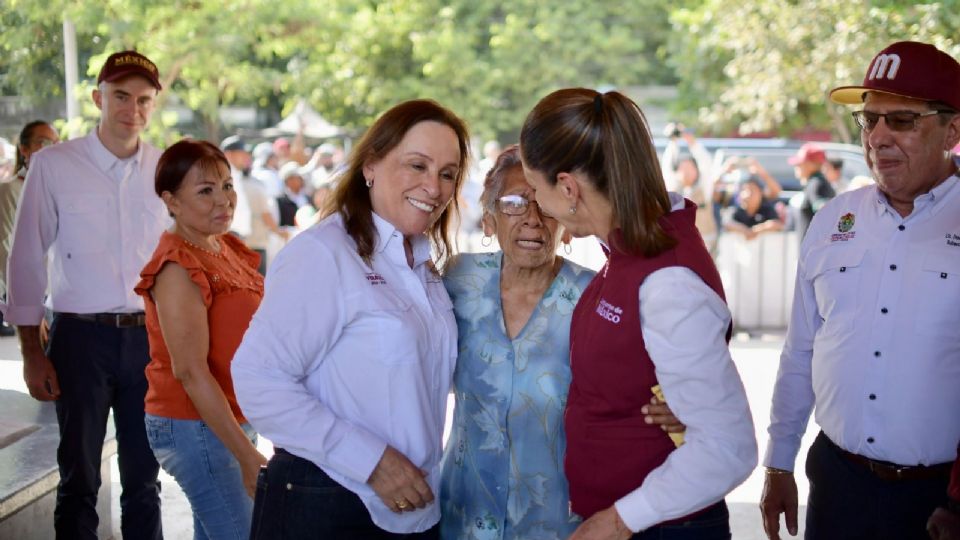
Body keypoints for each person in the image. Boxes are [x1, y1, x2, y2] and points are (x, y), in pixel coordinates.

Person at [519, 88, 757, 539]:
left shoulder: (666, 282)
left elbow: (729, 447)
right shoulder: (629, 242)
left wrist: (618, 521)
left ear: (568, 187)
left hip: (663, 527)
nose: (536, 203)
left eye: (536, 188)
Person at [231, 99, 469, 539]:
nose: (433, 187)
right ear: (371, 165)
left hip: (410, 509)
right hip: (325, 502)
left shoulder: (422, 266)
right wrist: (372, 461)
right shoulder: (325, 254)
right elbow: (257, 380)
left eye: (448, 174)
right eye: (416, 166)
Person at [760, 40, 960, 540]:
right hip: (837, 482)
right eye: (869, 120)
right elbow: (801, 351)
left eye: (902, 120)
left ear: (952, 130)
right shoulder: (833, 219)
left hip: (941, 497)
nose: (878, 137)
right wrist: (778, 463)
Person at [5, 50, 167, 539]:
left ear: (153, 106)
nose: (132, 109)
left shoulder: (165, 169)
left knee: (146, 478)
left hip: (149, 340)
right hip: (79, 340)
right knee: (77, 478)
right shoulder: (55, 165)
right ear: (98, 98)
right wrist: (32, 352)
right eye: (121, 96)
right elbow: (27, 259)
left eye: (143, 99)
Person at [439, 145, 595, 538]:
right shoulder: (457, 282)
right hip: (463, 513)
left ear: (566, 221)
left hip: (558, 520)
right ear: (489, 220)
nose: (531, 219)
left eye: (544, 204)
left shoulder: (594, 297)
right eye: (512, 203)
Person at [133, 139, 267, 539]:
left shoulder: (221, 245)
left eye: (226, 185)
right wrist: (246, 455)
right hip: (195, 425)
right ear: (171, 201)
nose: (223, 200)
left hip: (230, 417)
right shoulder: (177, 264)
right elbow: (190, 372)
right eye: (205, 191)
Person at [0, 120, 59, 336]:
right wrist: (28, 308)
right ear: (23, 149)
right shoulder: (10, 190)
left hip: (61, 295)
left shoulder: (59, 189)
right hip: (36, 296)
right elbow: (5, 247)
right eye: (42, 142)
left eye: (56, 142)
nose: (51, 148)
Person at [660, 126, 718, 252]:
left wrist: (691, 142)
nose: (686, 172)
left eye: (690, 168)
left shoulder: (704, 189)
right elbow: (666, 167)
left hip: (705, 249)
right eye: (683, 168)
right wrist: (673, 142)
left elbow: (706, 164)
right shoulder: (672, 193)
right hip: (680, 250)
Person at [788, 143, 835, 239]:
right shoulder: (815, 183)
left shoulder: (816, 184)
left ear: (811, 164)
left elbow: (825, 211)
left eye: (800, 163)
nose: (796, 167)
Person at [276, 161, 309, 228]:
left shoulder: (308, 198)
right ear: (288, 181)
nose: (301, 179)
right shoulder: (280, 202)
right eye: (297, 177)